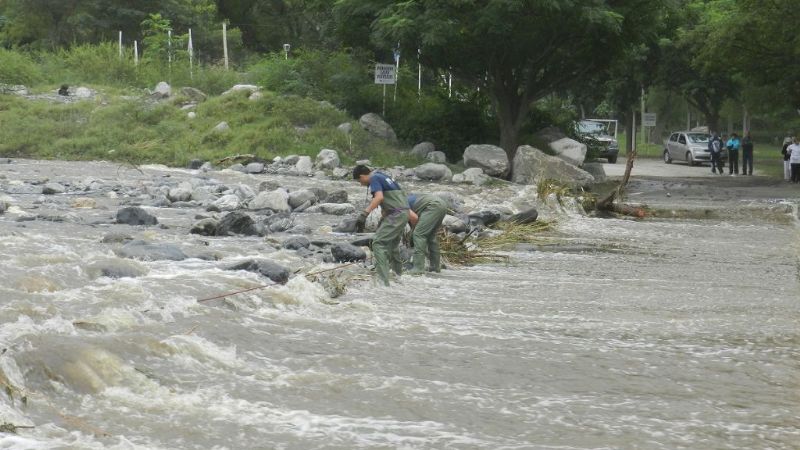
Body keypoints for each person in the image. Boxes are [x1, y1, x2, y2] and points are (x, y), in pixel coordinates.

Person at [353, 165, 409, 286]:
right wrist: (383, 220)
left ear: (362, 176)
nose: (361, 184)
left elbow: (379, 198)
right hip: (403, 213)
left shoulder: (374, 179)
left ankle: (383, 281)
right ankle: (398, 278)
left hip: (395, 214)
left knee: (378, 243)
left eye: (359, 181)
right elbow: (392, 200)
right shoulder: (384, 177)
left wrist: (364, 214)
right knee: (393, 245)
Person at [407, 193, 449, 274]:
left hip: (433, 206)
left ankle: (418, 268)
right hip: (441, 204)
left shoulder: (399, 204)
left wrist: (413, 236)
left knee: (419, 235)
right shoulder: (406, 199)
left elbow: (414, 218)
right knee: (431, 236)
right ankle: (435, 267)